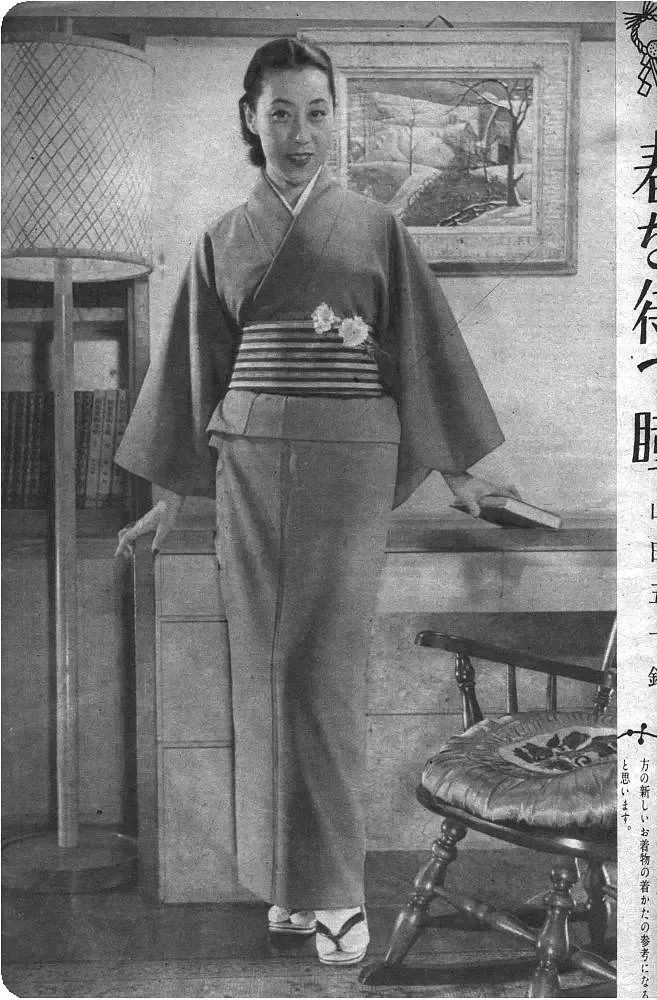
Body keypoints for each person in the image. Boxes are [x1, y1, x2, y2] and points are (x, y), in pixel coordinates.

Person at [115, 36, 508, 966]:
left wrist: (460, 473)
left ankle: (337, 892)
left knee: (323, 672)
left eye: (317, 113)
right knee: (265, 670)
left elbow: (419, 352)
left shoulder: (375, 227)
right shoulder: (222, 238)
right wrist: (170, 495)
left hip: (349, 460)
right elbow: (194, 373)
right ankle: (289, 887)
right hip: (250, 465)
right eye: (281, 112)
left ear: (337, 120)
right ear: (250, 120)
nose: (300, 133)